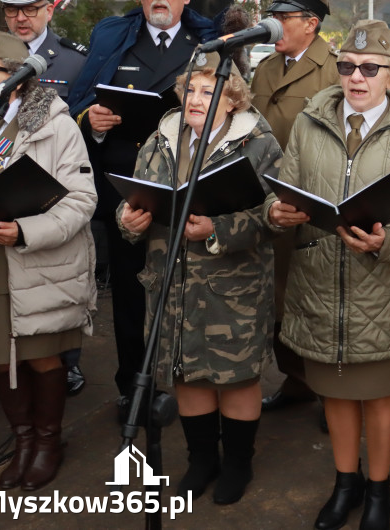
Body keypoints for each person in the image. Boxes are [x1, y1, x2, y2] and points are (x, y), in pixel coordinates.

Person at [265, 19, 390, 530]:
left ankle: (378, 490)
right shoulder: (310, 122)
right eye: (346, 66)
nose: (356, 77)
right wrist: (277, 213)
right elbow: (284, 189)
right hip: (317, 284)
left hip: (379, 287)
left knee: (379, 395)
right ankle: (346, 483)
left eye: (369, 68)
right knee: (335, 393)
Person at [117, 52, 280, 504]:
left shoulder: (257, 143)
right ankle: (200, 459)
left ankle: (238, 464)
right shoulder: (161, 138)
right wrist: (126, 219)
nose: (196, 98)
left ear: (233, 100)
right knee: (186, 374)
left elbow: (274, 217)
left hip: (235, 288)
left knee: (236, 378)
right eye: (190, 88)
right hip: (171, 283)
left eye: (209, 91)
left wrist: (219, 230)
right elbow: (133, 194)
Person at [65, 0, 217, 419]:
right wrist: (94, 119)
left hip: (185, 180)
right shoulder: (115, 40)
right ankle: (134, 384)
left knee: (189, 286)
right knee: (131, 292)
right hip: (127, 183)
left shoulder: (208, 45)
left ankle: (189, 383)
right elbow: (80, 104)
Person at [0, 31, 97, 491]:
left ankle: (48, 443)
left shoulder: (55, 124)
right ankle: (22, 441)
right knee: (0, 361)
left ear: (18, 79)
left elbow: (82, 200)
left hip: (39, 263)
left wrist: (25, 231)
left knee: (42, 357)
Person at [0, 0, 90, 396]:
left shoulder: (74, 59)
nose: (20, 19)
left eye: (30, 9)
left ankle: (68, 365)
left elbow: (85, 114)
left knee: (54, 306)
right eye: (12, 11)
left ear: (49, 10)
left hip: (56, 184)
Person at [249, 0, 339, 414]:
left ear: (312, 23)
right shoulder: (264, 68)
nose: (277, 24)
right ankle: (296, 379)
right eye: (275, 16)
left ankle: (329, 393)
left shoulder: (335, 70)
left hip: (310, 208)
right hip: (266, 203)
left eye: (285, 17)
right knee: (274, 300)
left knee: (312, 303)